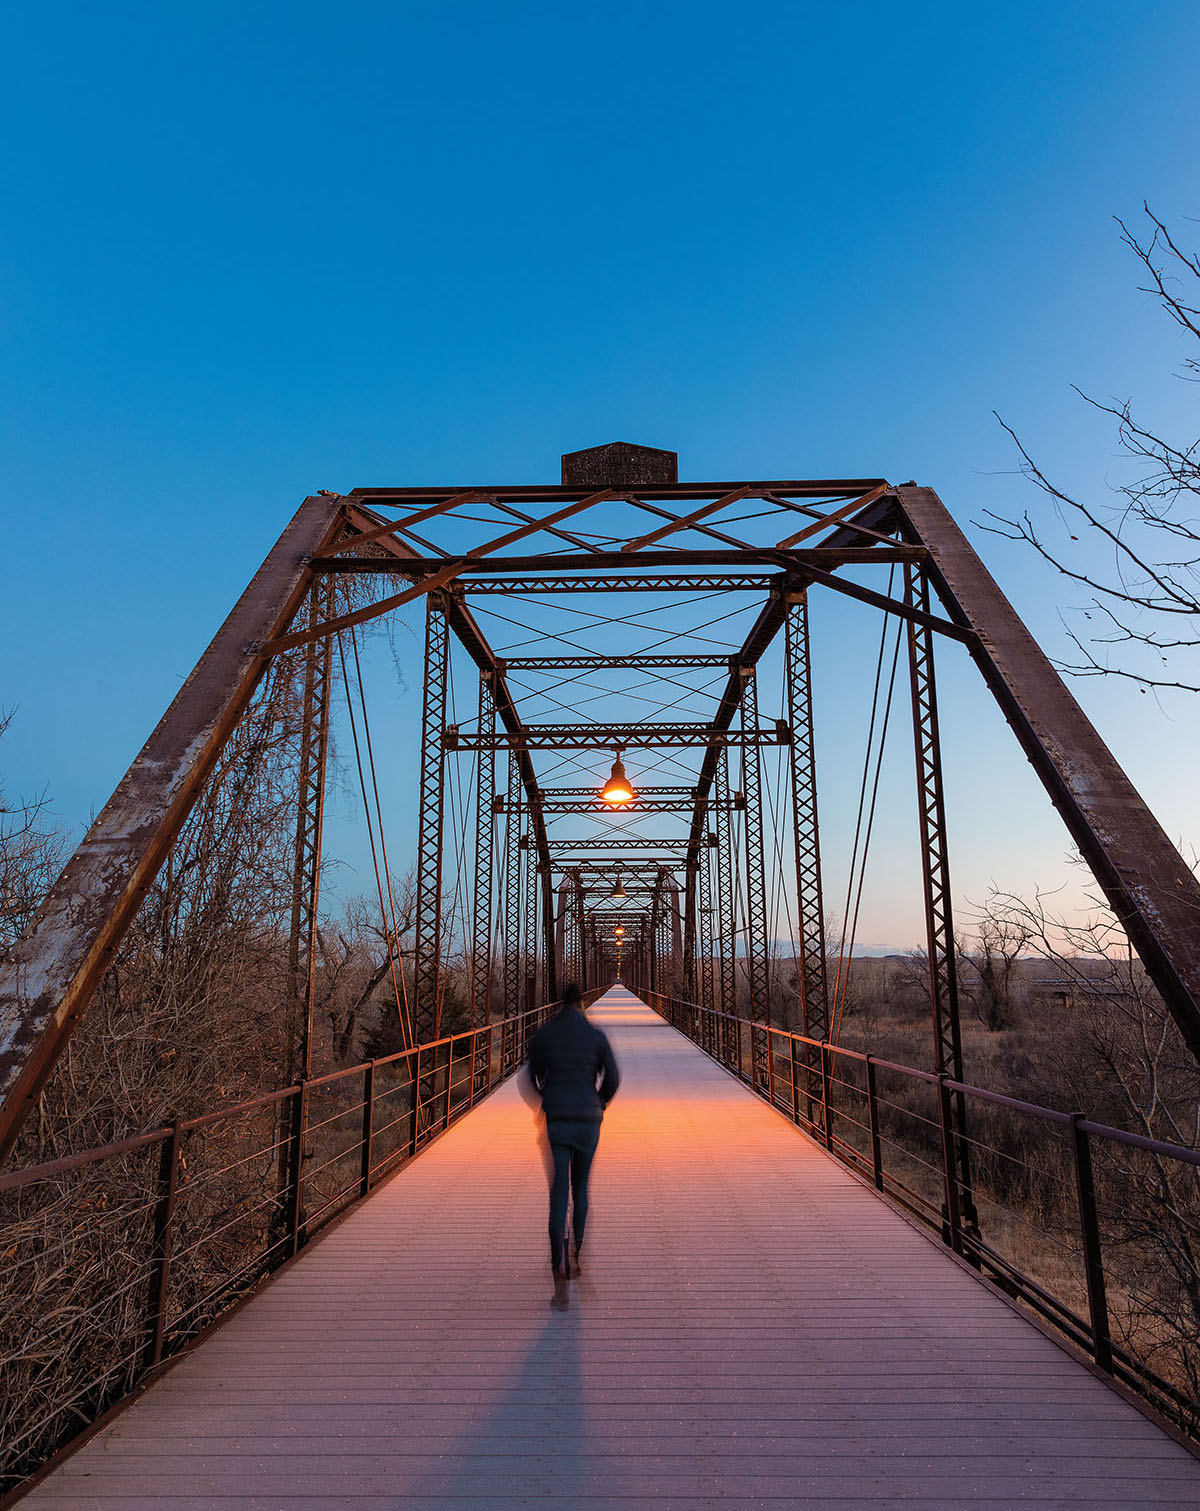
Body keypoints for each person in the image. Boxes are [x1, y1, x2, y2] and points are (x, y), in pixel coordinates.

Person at [527, 982, 620, 1309]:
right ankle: (576, 1255)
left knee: (558, 1192)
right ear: (582, 1004)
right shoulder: (596, 1036)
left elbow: (531, 1078)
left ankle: (558, 1274)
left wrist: (545, 1100)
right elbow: (614, 1078)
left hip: (557, 1120)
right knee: (580, 1186)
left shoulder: (545, 1034)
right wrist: (600, 1101)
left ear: (559, 1003)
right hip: (588, 1119)